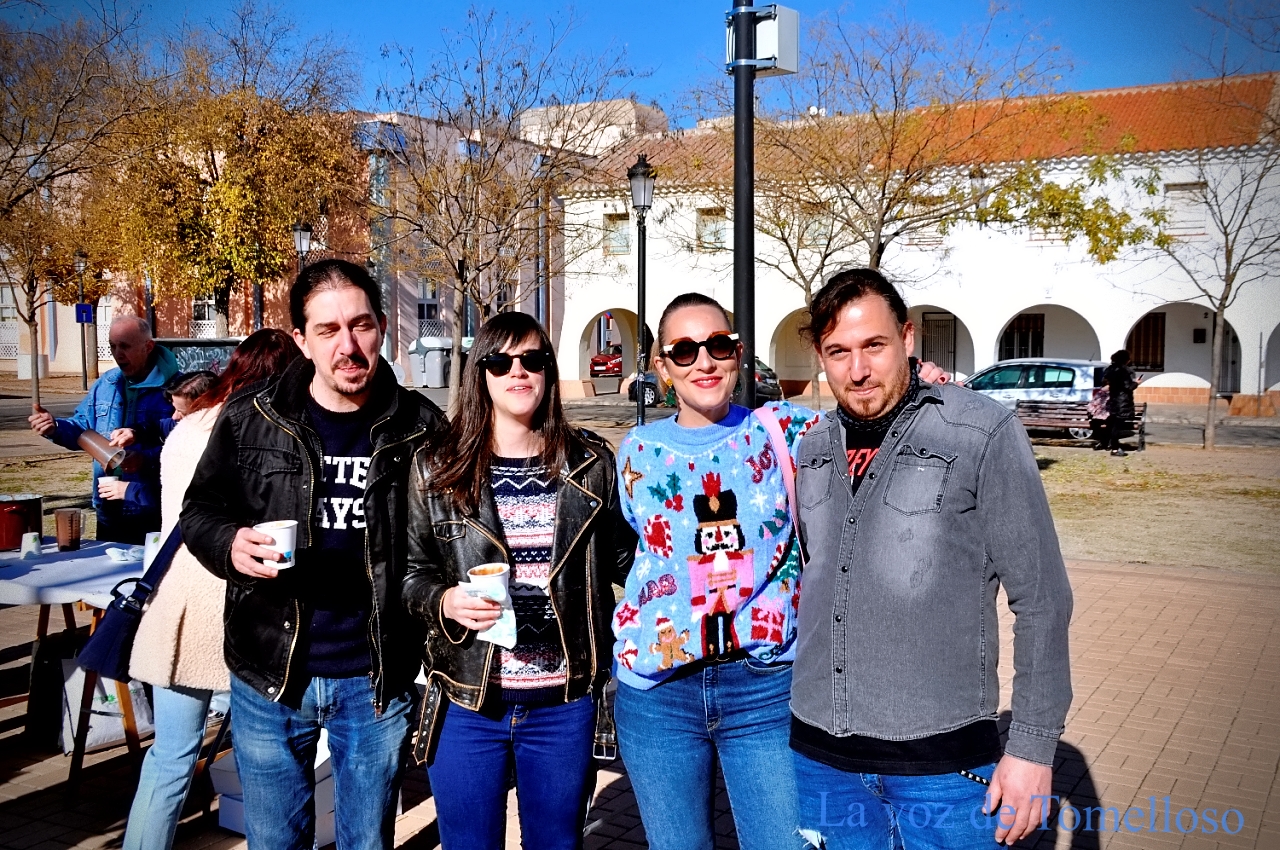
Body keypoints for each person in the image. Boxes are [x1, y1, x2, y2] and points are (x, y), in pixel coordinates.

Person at [788, 268, 1074, 849]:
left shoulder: (980, 431)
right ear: (821, 357)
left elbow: (1042, 598)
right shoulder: (812, 446)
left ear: (907, 337)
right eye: (838, 352)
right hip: (823, 762)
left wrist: (1031, 747)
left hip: (944, 771)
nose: (858, 370)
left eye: (874, 345)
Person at [180, 259, 445, 850]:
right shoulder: (253, 418)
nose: (348, 346)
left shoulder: (421, 427)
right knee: (276, 842)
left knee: (366, 842)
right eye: (328, 330)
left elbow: (448, 541)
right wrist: (229, 543)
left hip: (377, 677)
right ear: (301, 340)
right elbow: (199, 511)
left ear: (382, 328)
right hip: (270, 674)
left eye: (361, 325)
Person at [402, 311, 636, 850]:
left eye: (532, 359)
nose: (518, 372)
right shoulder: (436, 467)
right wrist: (446, 601)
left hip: (563, 704)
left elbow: (628, 562)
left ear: (549, 369)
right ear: (479, 373)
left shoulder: (590, 463)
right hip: (469, 700)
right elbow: (412, 576)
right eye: (500, 361)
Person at [610, 292, 822, 850]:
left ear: (738, 354)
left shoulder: (786, 431)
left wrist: (923, 386)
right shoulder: (636, 451)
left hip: (765, 690)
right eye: (684, 350)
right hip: (659, 696)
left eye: (718, 345)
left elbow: (871, 421)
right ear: (662, 367)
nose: (703, 361)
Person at [123, 330, 300, 850]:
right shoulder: (258, 427)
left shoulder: (189, 425)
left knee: (170, 756)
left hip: (175, 602)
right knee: (267, 759)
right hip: (235, 607)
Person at [28, 316, 180, 542]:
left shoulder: (177, 389)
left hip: (152, 506)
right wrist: (55, 427)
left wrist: (145, 459)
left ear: (148, 347)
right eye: (112, 346)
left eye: (125, 346)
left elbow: (187, 446)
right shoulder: (106, 383)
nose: (118, 354)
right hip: (108, 505)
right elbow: (82, 428)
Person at [1103, 349, 1139, 457]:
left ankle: (1108, 443)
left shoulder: (1110, 369)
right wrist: (1136, 383)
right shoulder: (1124, 371)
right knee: (1117, 427)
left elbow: (1105, 381)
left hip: (1113, 400)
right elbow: (1128, 387)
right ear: (1126, 360)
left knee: (1112, 424)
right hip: (1122, 402)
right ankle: (1115, 449)